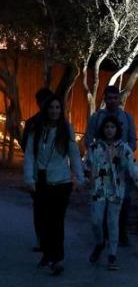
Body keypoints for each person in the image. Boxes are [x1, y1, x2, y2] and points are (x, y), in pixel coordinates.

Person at [23, 95, 85, 276]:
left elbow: (74, 156)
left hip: (62, 182)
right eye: (51, 107)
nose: (54, 111)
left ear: (61, 110)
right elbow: (29, 155)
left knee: (57, 221)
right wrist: (29, 178)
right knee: (43, 221)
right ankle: (48, 253)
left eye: (58, 108)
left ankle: (57, 258)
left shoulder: (66, 129)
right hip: (41, 180)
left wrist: (79, 178)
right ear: (45, 109)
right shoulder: (36, 129)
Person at [84, 115, 138, 270]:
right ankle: (100, 242)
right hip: (98, 189)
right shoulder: (95, 148)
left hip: (116, 190)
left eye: (112, 127)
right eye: (107, 127)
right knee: (96, 221)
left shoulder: (123, 148)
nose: (109, 130)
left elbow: (134, 168)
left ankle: (112, 255)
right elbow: (86, 166)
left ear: (117, 129)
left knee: (113, 222)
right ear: (103, 129)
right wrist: (80, 180)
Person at [85, 85, 137, 245]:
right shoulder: (97, 117)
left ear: (119, 99)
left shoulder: (127, 118)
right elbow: (88, 138)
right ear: (105, 99)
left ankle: (121, 231)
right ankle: (105, 232)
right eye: (109, 98)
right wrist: (97, 154)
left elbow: (133, 141)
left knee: (124, 199)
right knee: (103, 198)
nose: (112, 101)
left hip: (121, 167)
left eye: (115, 98)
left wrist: (121, 154)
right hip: (102, 167)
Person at [20, 87, 54, 253]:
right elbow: (26, 146)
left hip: (53, 172)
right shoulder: (32, 123)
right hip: (37, 171)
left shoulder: (58, 124)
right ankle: (42, 239)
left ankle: (47, 239)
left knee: (48, 208)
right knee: (40, 207)